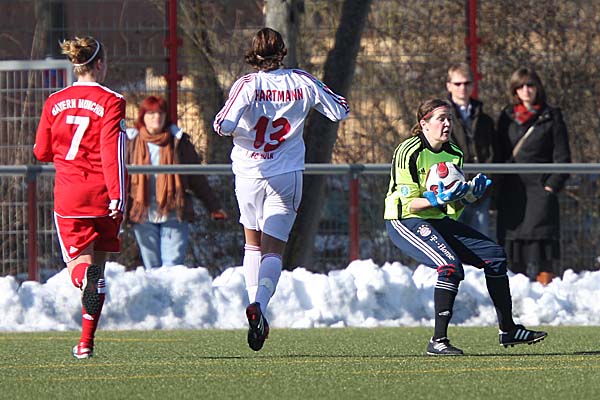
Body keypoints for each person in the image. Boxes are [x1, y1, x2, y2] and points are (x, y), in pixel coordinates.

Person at [213, 27, 349, 351]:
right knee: (273, 249)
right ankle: (260, 304)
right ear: (283, 52)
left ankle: (254, 305)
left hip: (249, 174)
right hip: (287, 174)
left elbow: (222, 124)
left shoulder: (248, 84)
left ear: (253, 53)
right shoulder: (302, 81)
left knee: (252, 244)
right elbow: (340, 110)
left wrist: (242, 128)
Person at [384, 98, 547, 355]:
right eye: (441, 118)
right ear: (424, 124)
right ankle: (438, 341)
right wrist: (436, 199)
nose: (447, 124)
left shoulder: (454, 153)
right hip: (404, 220)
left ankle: (508, 329)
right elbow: (409, 204)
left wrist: (467, 197)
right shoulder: (408, 151)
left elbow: (451, 210)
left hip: (436, 219)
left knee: (494, 256)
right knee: (449, 267)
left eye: (449, 118)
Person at [33, 36, 126, 359]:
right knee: (98, 274)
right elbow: (111, 151)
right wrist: (118, 196)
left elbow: (41, 151)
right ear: (99, 64)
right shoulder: (112, 100)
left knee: (82, 272)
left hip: (71, 196)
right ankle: (85, 343)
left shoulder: (54, 101)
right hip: (104, 195)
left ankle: (85, 278)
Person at [125, 95, 228, 269]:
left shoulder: (178, 142)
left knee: (173, 266)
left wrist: (214, 207)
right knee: (152, 267)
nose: (156, 117)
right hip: (142, 213)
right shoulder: (130, 143)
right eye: (151, 113)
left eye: (160, 113)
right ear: (142, 116)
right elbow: (119, 179)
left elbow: (197, 178)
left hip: (174, 211)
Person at [496, 67, 571, 285]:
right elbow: (498, 154)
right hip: (512, 194)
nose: (526, 90)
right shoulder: (506, 117)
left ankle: (546, 294)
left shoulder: (551, 116)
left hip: (540, 192)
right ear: (514, 90)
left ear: (538, 87)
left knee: (542, 250)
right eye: (520, 86)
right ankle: (515, 295)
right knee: (514, 250)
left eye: (530, 85)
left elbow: (563, 157)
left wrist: (551, 186)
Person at [446, 63, 497, 237]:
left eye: (467, 83)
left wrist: (487, 182)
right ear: (449, 86)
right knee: (453, 242)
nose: (462, 88)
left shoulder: (484, 119)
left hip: (480, 190)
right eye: (457, 83)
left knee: (481, 241)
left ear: (473, 85)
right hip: (452, 191)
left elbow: (491, 152)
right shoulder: (441, 117)